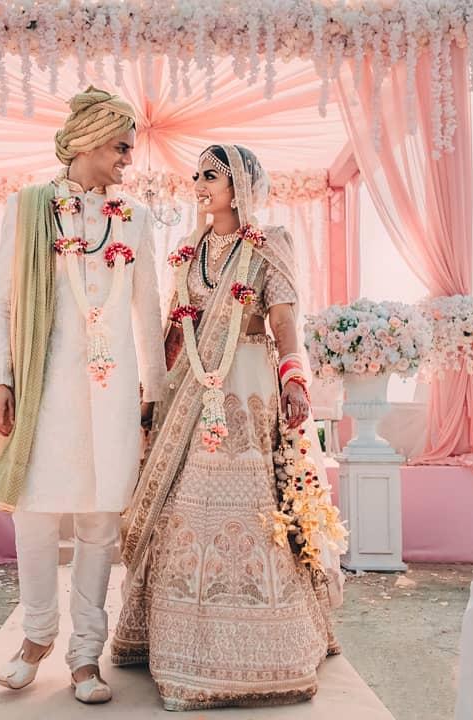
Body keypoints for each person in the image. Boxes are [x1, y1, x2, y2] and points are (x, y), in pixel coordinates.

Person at [113, 144, 342, 711]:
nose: (198, 183)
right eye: (196, 174)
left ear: (239, 184)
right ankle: (177, 645)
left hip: (247, 386)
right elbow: (174, 326)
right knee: (187, 501)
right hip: (192, 391)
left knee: (251, 505)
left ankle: (263, 649)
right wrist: (154, 394)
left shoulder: (270, 244)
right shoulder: (188, 250)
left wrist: (295, 380)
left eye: (210, 175)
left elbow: (284, 318)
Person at [0, 86, 166, 705]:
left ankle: (86, 657)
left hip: (111, 396)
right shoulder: (31, 207)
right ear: (87, 140)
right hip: (44, 385)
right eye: (120, 146)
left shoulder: (135, 218)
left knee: (98, 522)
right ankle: (35, 638)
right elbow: (2, 301)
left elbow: (147, 307)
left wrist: (154, 395)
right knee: (34, 514)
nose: (127, 159)